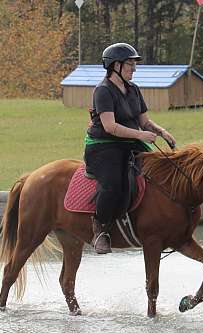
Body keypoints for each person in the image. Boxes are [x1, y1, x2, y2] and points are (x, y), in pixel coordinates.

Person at [85, 42, 176, 254]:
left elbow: (144, 121)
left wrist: (162, 132)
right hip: (103, 146)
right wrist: (140, 135)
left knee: (159, 171)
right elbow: (110, 127)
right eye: (130, 64)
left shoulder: (133, 89)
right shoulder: (103, 91)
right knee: (114, 184)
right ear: (115, 65)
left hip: (129, 142)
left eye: (134, 64)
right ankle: (100, 228)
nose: (134, 69)